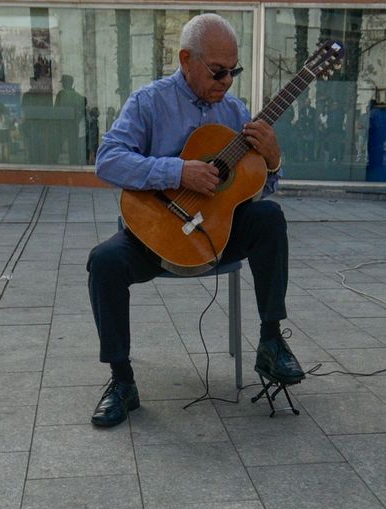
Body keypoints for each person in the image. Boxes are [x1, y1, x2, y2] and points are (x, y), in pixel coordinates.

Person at [86, 13, 304, 428]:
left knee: (269, 217)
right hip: (155, 233)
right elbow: (108, 160)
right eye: (218, 71)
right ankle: (122, 381)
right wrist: (177, 172)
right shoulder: (149, 102)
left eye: (233, 71)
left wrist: (274, 160)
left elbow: (253, 188)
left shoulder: (235, 112)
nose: (226, 81)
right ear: (186, 59)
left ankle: (272, 341)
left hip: (217, 235)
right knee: (104, 262)